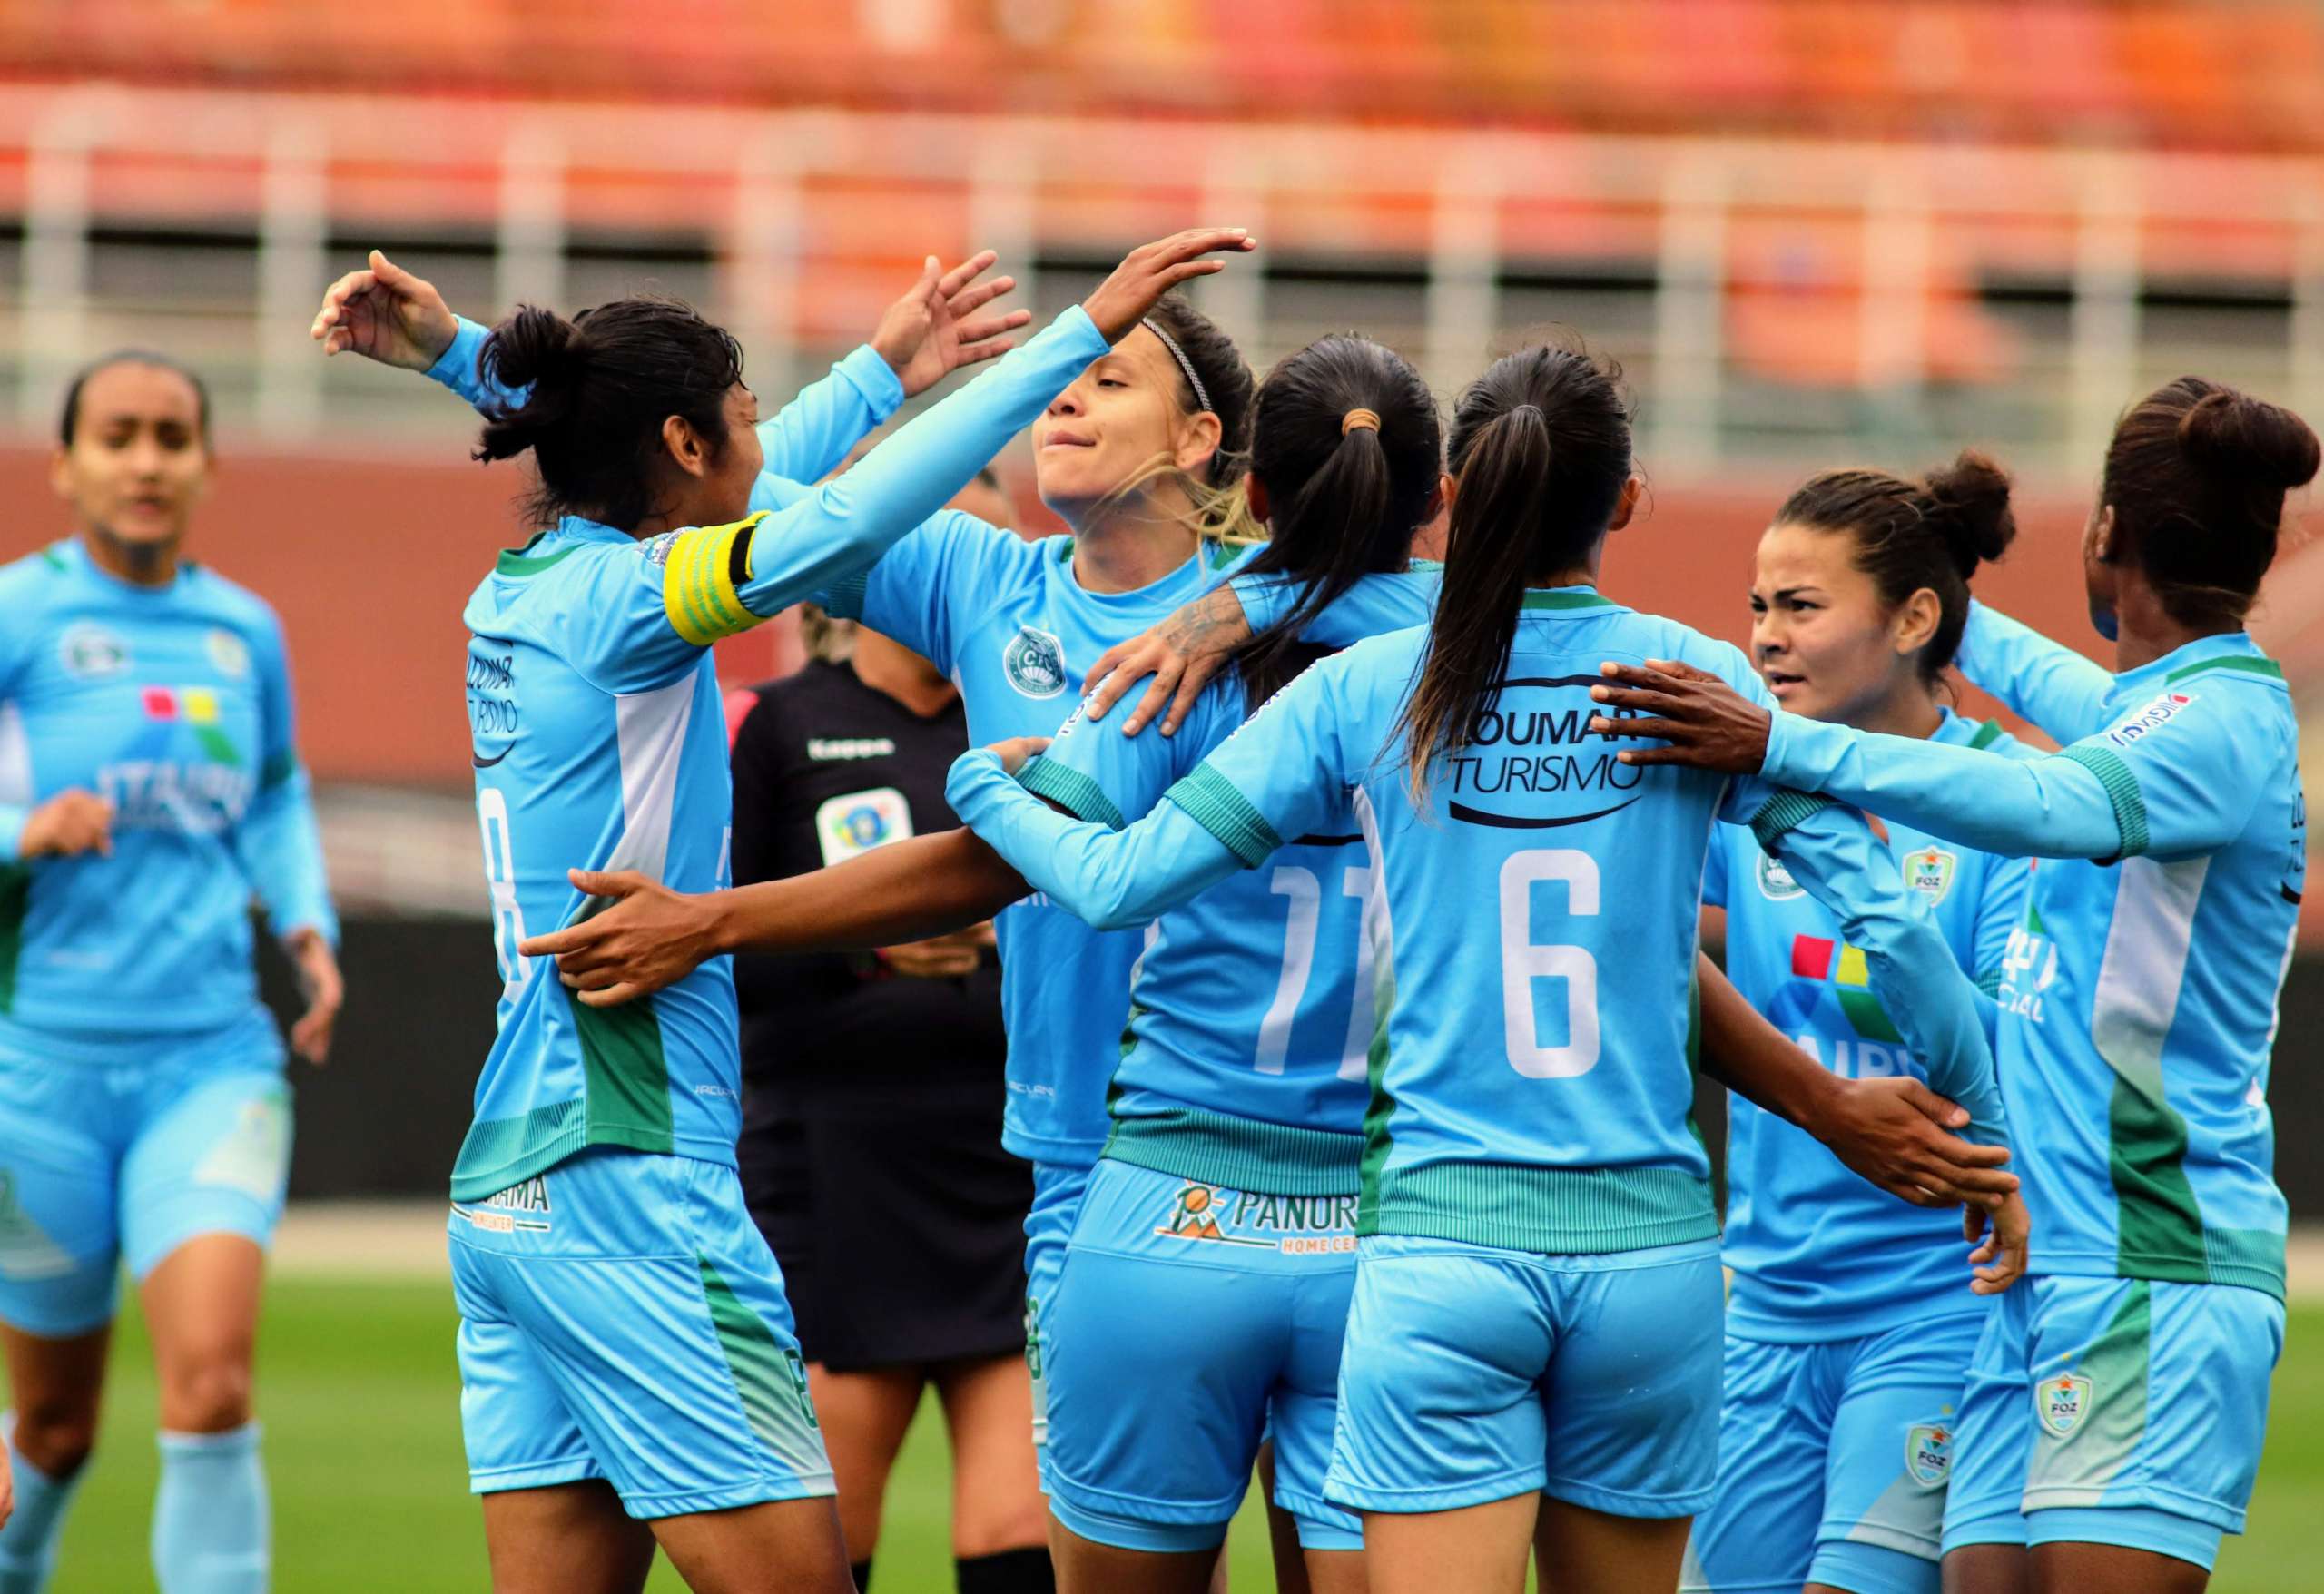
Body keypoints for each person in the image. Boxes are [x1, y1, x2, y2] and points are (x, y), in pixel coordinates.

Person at [934, 340, 2025, 1594]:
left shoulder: (1380, 685)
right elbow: (1894, 931)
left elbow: (1114, 882)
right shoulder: (1699, 678)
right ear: (1621, 501)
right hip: (1651, 1261)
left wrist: (975, 781)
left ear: (1464, 487)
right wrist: (1984, 1148)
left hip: (1428, 1250)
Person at [317, 228, 1253, 1594]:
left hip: (510, 1181)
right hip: (634, 1166)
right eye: (746, 421)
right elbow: (843, 514)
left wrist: (878, 367)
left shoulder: (521, 593)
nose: (771, 446)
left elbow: (740, 469)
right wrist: (1074, 333)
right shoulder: (639, 602)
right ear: (688, 449)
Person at [1589, 375, 2317, 1594]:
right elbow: (2042, 688)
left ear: (2104, 537)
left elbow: (2053, 802)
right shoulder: (2157, 709)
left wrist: (1779, 744)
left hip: (2150, 1258)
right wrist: (1904, 584)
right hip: (2039, 1265)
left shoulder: (2220, 728)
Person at [0, 351, 340, 1594]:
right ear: (67, 463)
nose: (147, 460)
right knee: (53, 1430)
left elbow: (277, 794)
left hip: (210, 1064)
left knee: (212, 1383)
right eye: (119, 435)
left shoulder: (243, 630)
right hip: (35, 1083)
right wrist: (17, 832)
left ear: (204, 463)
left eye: (171, 436)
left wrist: (307, 924)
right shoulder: (18, 617)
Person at [1675, 455, 2039, 1594]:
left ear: (1913, 618)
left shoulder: (2013, 802)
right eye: (1756, 608)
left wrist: (1894, 963)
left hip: (1939, 1301)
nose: (1765, 639)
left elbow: (2016, 1055)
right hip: (1765, 1304)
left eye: (1800, 606)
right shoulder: (1757, 794)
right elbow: (1654, 944)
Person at [729, 474, 1048, 1594]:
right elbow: (716, 950)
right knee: (821, 1546)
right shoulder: (780, 727)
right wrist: (868, 946)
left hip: (1005, 1167)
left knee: (1023, 1539)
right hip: (834, 1171)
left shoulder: (1031, 732)